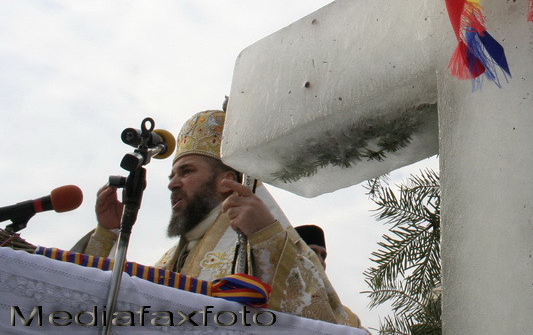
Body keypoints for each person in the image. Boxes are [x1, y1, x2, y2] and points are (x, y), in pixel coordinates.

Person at [82, 109, 362, 328]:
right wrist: (107, 233)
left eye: (186, 171)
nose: (172, 184)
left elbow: (324, 320)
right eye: (172, 175)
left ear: (227, 181)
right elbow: (110, 306)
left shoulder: (268, 238)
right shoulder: (173, 258)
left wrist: (266, 238)